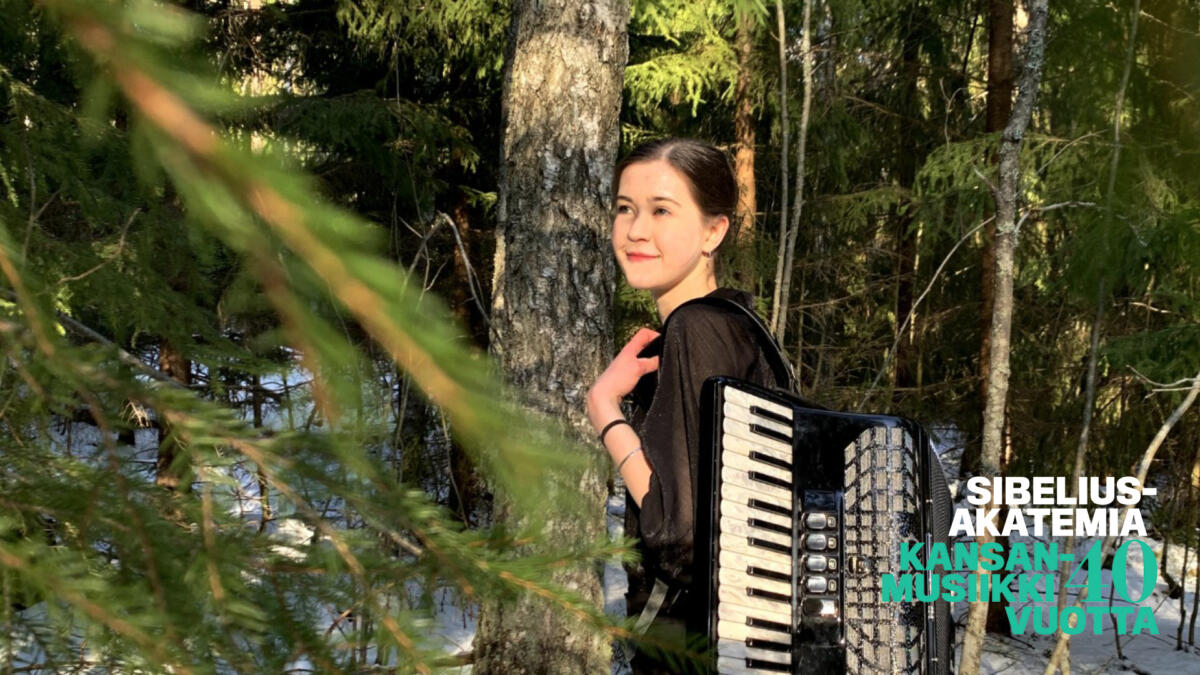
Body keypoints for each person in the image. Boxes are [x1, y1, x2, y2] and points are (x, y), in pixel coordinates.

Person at [585, 138, 784, 673]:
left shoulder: (697, 328)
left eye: (661, 211)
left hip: (693, 648)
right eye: (625, 208)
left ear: (713, 232)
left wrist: (605, 410)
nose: (635, 230)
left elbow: (680, 538)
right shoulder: (740, 324)